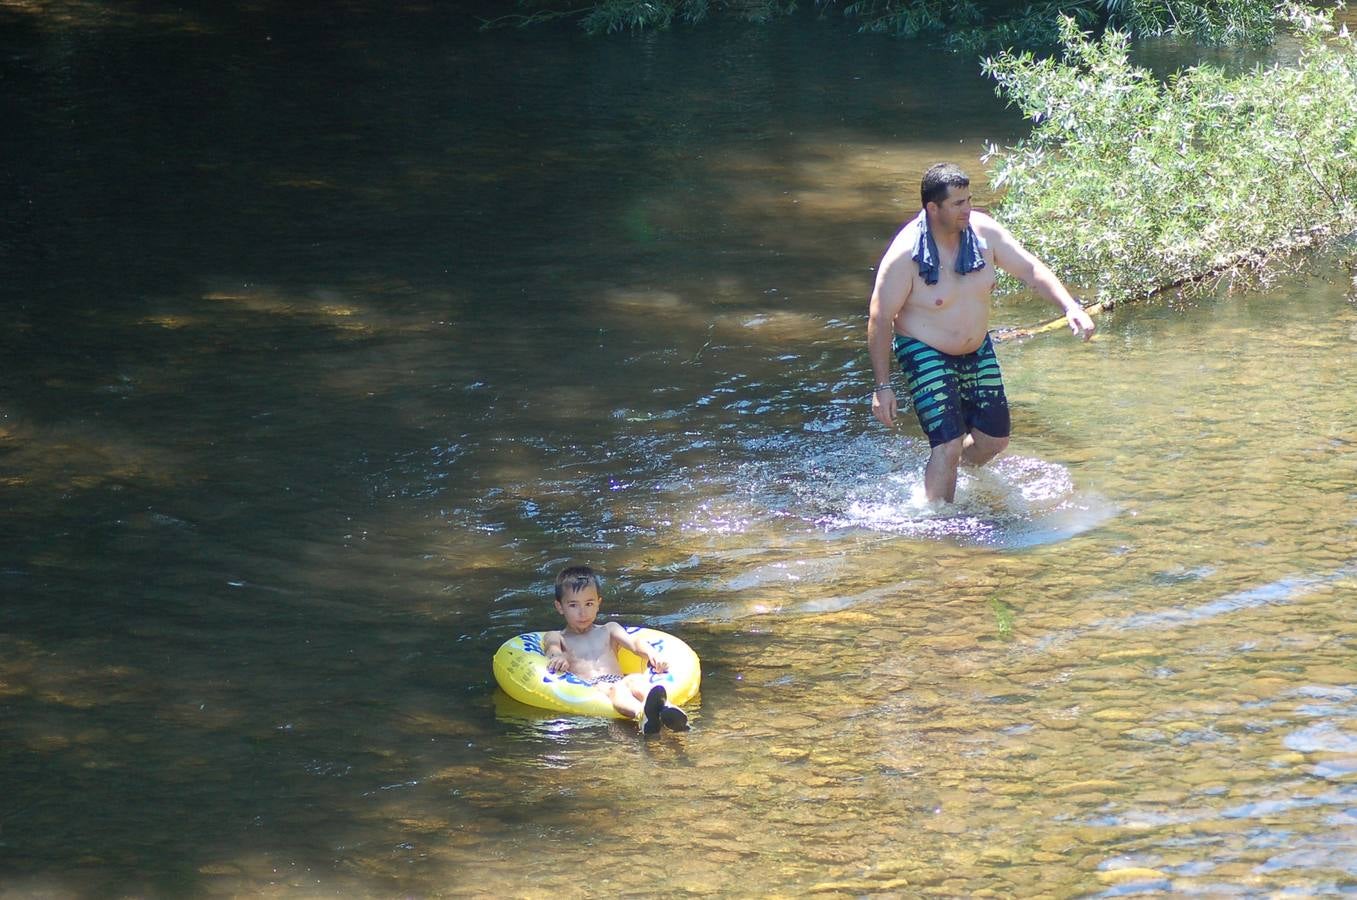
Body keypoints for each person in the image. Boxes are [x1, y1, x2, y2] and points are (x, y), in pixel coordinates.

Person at [867, 162, 1096, 503]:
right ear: (933, 208)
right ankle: (938, 522)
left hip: (976, 349)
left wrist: (1070, 307)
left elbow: (1031, 269)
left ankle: (951, 473)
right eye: (958, 204)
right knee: (946, 443)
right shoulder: (905, 255)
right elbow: (880, 318)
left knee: (994, 440)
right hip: (924, 348)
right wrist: (882, 387)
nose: (968, 209)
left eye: (969, 200)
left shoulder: (984, 234)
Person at [543, 565, 689, 735]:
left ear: (598, 603)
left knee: (635, 679)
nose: (583, 612)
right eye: (573, 605)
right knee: (617, 689)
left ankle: (666, 708)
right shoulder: (557, 636)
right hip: (591, 687)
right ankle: (641, 714)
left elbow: (634, 643)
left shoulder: (609, 629)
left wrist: (652, 654)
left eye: (589, 603)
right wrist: (558, 657)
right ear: (560, 607)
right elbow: (552, 649)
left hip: (618, 680)